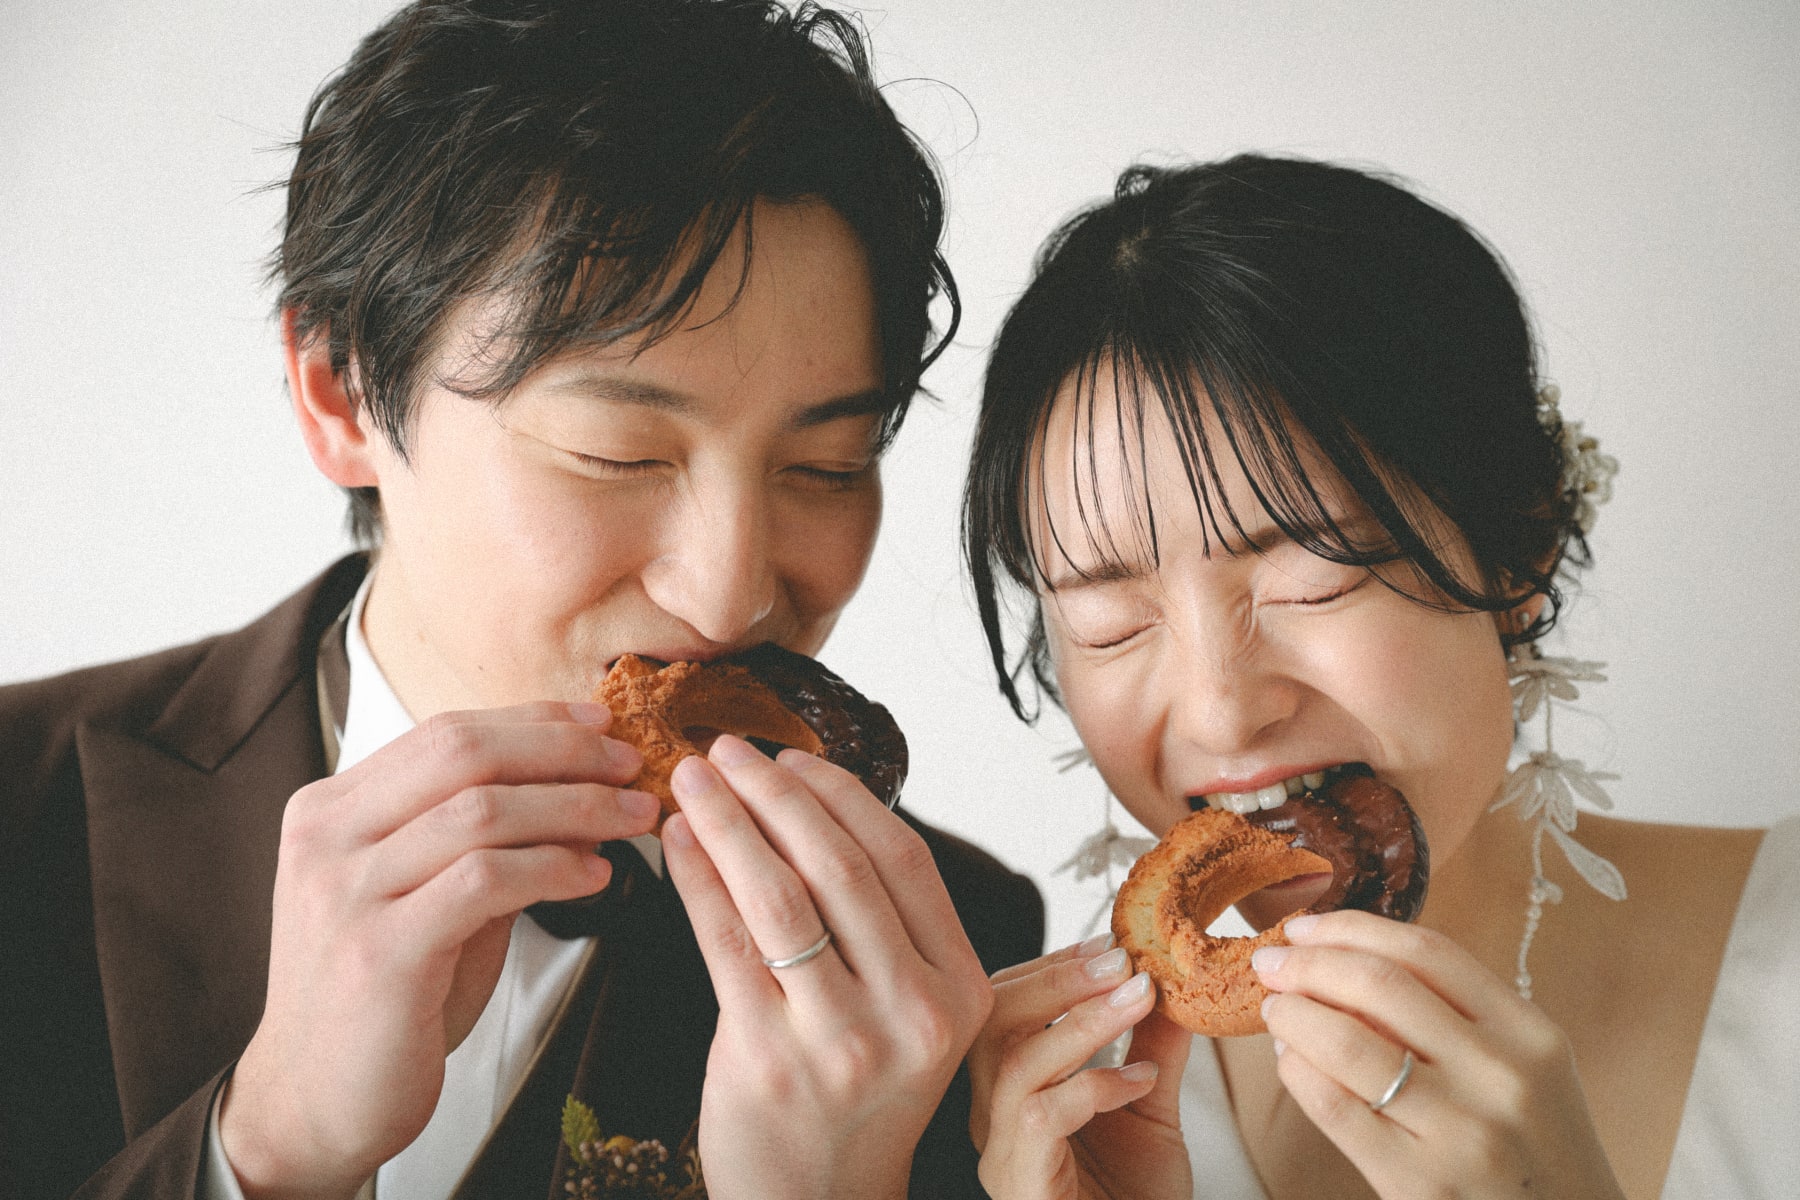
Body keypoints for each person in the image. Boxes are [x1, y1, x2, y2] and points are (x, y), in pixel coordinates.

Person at [0, 2, 1044, 1198]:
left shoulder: (950, 956)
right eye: (616, 452)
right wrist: (264, 1150)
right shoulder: (21, 803)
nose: (729, 595)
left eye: (827, 466)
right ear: (341, 393)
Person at [959, 155, 1798, 1199]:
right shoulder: (1070, 1108)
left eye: (1313, 579)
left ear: (1520, 546)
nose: (1223, 713)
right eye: (1111, 623)